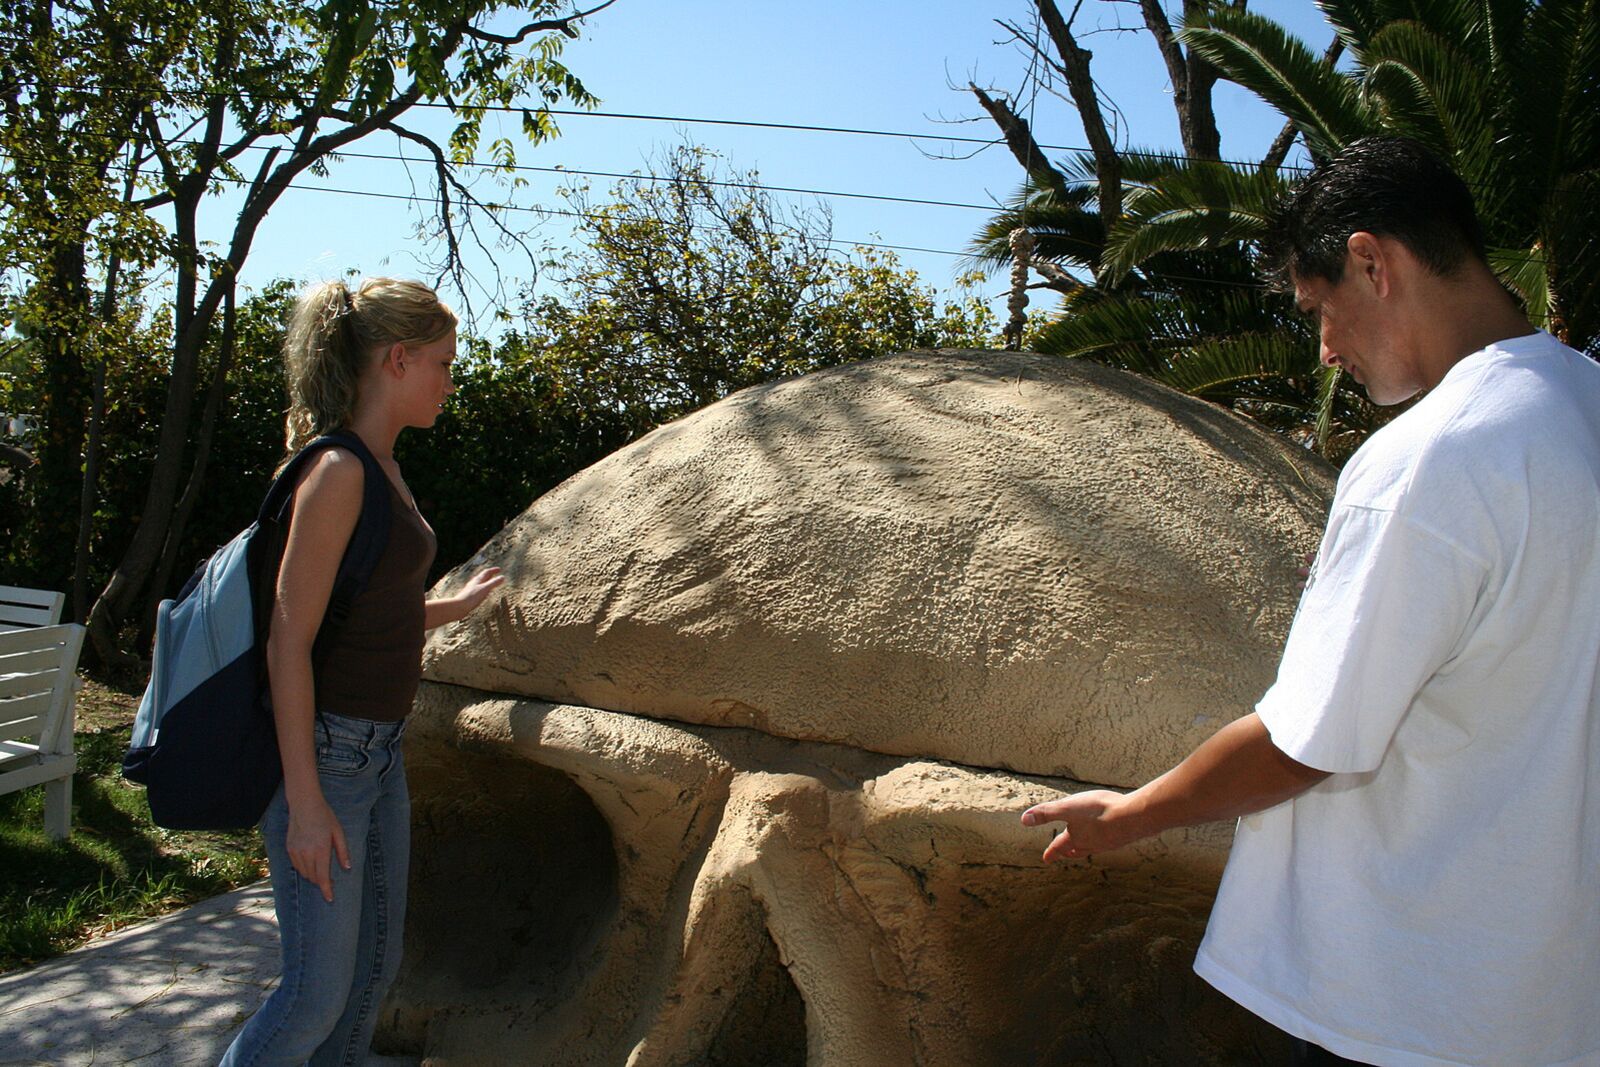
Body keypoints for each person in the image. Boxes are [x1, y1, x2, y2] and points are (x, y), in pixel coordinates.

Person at [1021, 137, 1600, 1066]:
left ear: (1372, 262)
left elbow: (1303, 743)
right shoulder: (1583, 405)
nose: (1326, 351)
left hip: (1411, 1005)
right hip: (1554, 1006)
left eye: (1318, 309)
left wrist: (1127, 816)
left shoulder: (1434, 458)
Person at [221, 278, 504, 1066]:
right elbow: (288, 642)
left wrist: (454, 606)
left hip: (378, 755)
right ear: (397, 359)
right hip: (329, 759)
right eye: (443, 363)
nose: (450, 382)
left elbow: (369, 615)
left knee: (371, 975)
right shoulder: (339, 471)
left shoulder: (382, 467)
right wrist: (306, 803)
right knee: (312, 996)